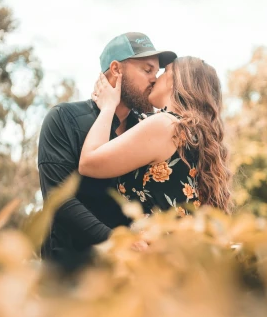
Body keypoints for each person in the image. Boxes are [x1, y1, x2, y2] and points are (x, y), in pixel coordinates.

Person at [37, 32, 176, 271]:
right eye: (147, 70)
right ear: (116, 70)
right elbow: (60, 202)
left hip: (129, 278)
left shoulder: (149, 129)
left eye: (157, 72)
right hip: (70, 276)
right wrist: (118, 242)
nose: (155, 79)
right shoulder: (64, 119)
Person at [79, 56, 232, 232]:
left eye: (164, 71)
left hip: (160, 252)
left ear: (176, 81)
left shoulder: (165, 125)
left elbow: (89, 163)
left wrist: (108, 107)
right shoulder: (192, 134)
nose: (155, 78)